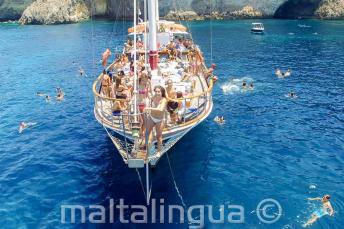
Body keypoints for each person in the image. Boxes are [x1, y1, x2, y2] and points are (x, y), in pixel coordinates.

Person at [144, 86, 167, 152]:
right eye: (156, 91)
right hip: (152, 117)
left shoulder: (163, 100)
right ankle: (146, 147)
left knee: (158, 137)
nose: (157, 93)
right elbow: (149, 97)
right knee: (146, 133)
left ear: (162, 92)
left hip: (159, 120)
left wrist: (149, 108)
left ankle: (159, 151)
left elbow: (160, 109)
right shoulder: (154, 97)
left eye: (159, 92)